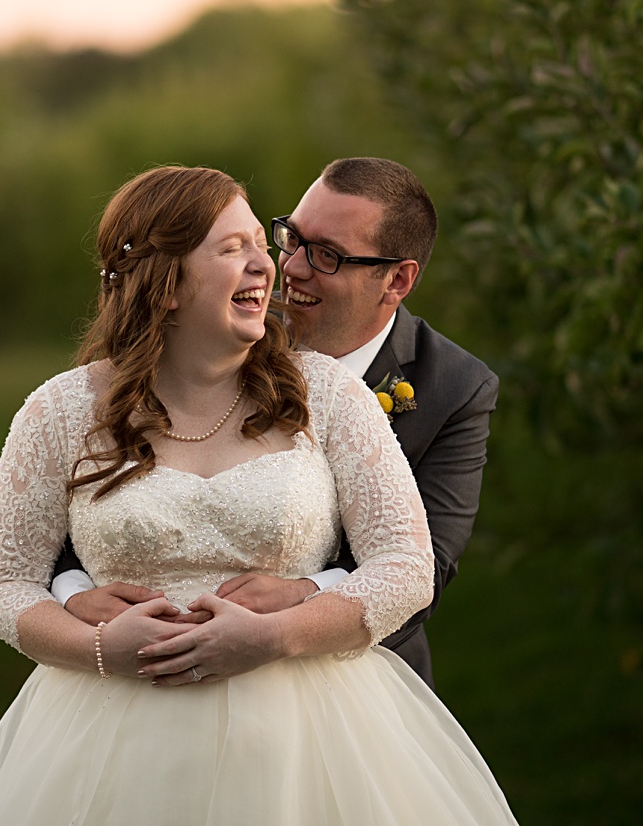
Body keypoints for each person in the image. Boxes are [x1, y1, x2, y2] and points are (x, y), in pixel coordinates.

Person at [0, 166, 516, 825]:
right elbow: (5, 582)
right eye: (234, 248)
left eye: (257, 242)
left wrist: (274, 635)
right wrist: (101, 647)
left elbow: (412, 566)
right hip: (109, 738)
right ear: (166, 285)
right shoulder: (59, 410)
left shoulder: (327, 393)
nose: (272, 267)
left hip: (310, 737)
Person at [53, 157, 497, 686]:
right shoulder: (215, 327)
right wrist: (76, 594)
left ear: (397, 280)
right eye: (291, 238)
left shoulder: (454, 387)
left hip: (344, 683)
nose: (292, 268)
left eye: (328, 255)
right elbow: (77, 509)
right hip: (135, 671)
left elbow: (425, 565)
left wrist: (305, 593)